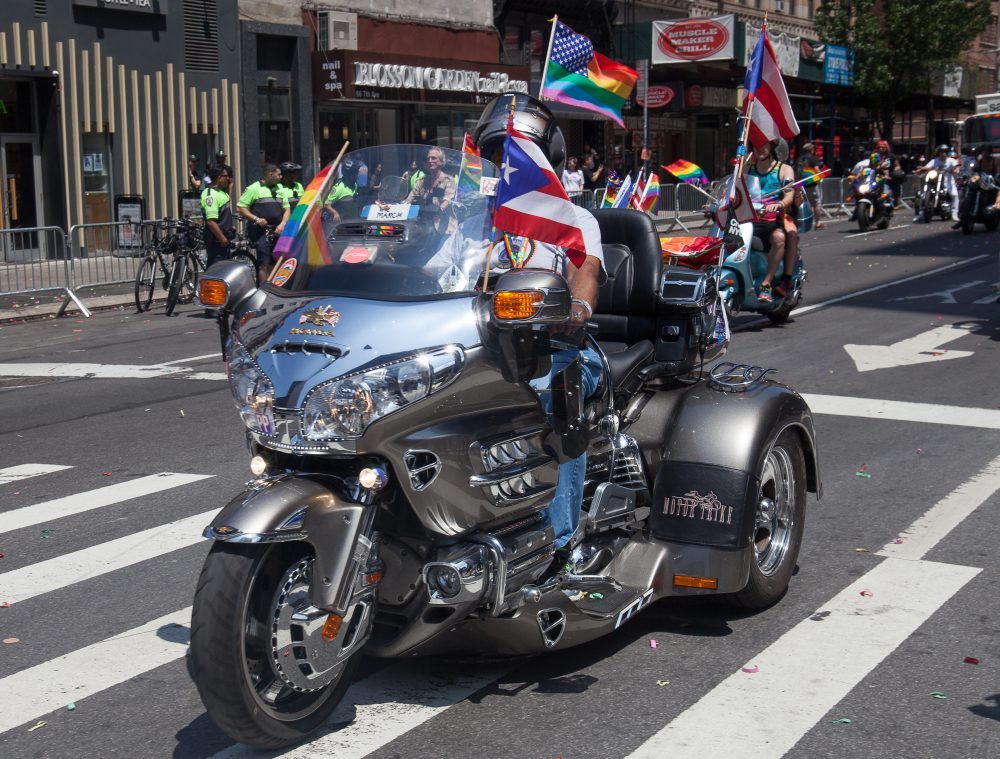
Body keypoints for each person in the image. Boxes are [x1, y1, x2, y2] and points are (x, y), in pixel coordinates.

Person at [469, 92, 605, 564]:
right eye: (498, 156)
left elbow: (585, 276)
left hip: (553, 350)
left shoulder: (573, 220)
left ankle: (558, 544)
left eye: (519, 156)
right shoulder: (473, 223)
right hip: (477, 351)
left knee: (552, 394)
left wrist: (576, 308)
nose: (506, 166)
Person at [746, 139, 797, 304]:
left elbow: (789, 195)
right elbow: (734, 191)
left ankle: (767, 283)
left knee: (780, 238)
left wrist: (779, 204)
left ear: (772, 147)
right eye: (756, 144)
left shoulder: (784, 169)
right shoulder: (746, 169)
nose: (759, 148)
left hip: (773, 220)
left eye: (763, 144)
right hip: (748, 220)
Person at [237, 163, 290, 279]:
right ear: (271, 174)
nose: (281, 177)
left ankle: (275, 287)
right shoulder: (253, 189)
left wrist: (283, 224)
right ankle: (264, 288)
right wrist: (256, 219)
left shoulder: (280, 188)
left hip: (278, 231)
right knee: (264, 264)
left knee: (277, 262)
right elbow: (241, 208)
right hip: (261, 233)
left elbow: (287, 209)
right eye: (279, 174)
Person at [915, 144, 959, 222]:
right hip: (935, 181)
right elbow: (927, 167)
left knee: (954, 195)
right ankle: (921, 214)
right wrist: (921, 170)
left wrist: (956, 169)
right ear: (938, 153)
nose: (943, 154)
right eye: (941, 152)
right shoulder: (934, 161)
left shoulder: (951, 161)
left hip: (948, 181)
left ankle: (954, 213)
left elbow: (956, 166)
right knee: (923, 195)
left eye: (945, 152)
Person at [796, 142, 824, 229]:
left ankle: (804, 222)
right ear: (811, 150)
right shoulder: (813, 159)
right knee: (816, 203)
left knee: (804, 204)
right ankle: (817, 223)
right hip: (812, 185)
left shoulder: (799, 159)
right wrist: (821, 176)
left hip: (801, 185)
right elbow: (817, 170)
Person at [324, 158, 359, 223]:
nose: (356, 175)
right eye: (353, 174)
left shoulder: (354, 185)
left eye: (356, 173)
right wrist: (335, 213)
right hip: (343, 223)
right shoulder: (339, 188)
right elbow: (326, 204)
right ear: (347, 174)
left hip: (354, 220)